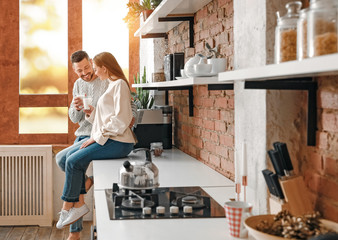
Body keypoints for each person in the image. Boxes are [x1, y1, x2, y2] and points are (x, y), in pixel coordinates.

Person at [55, 50, 136, 240]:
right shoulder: (80, 84)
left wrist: (97, 136)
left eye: (87, 68)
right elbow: (81, 118)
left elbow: (124, 115)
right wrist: (79, 109)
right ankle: (78, 204)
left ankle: (70, 213)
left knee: (73, 165)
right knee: (64, 161)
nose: (85, 73)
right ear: (74, 71)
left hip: (106, 136)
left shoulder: (113, 83)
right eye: (79, 71)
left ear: (95, 65)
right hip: (92, 133)